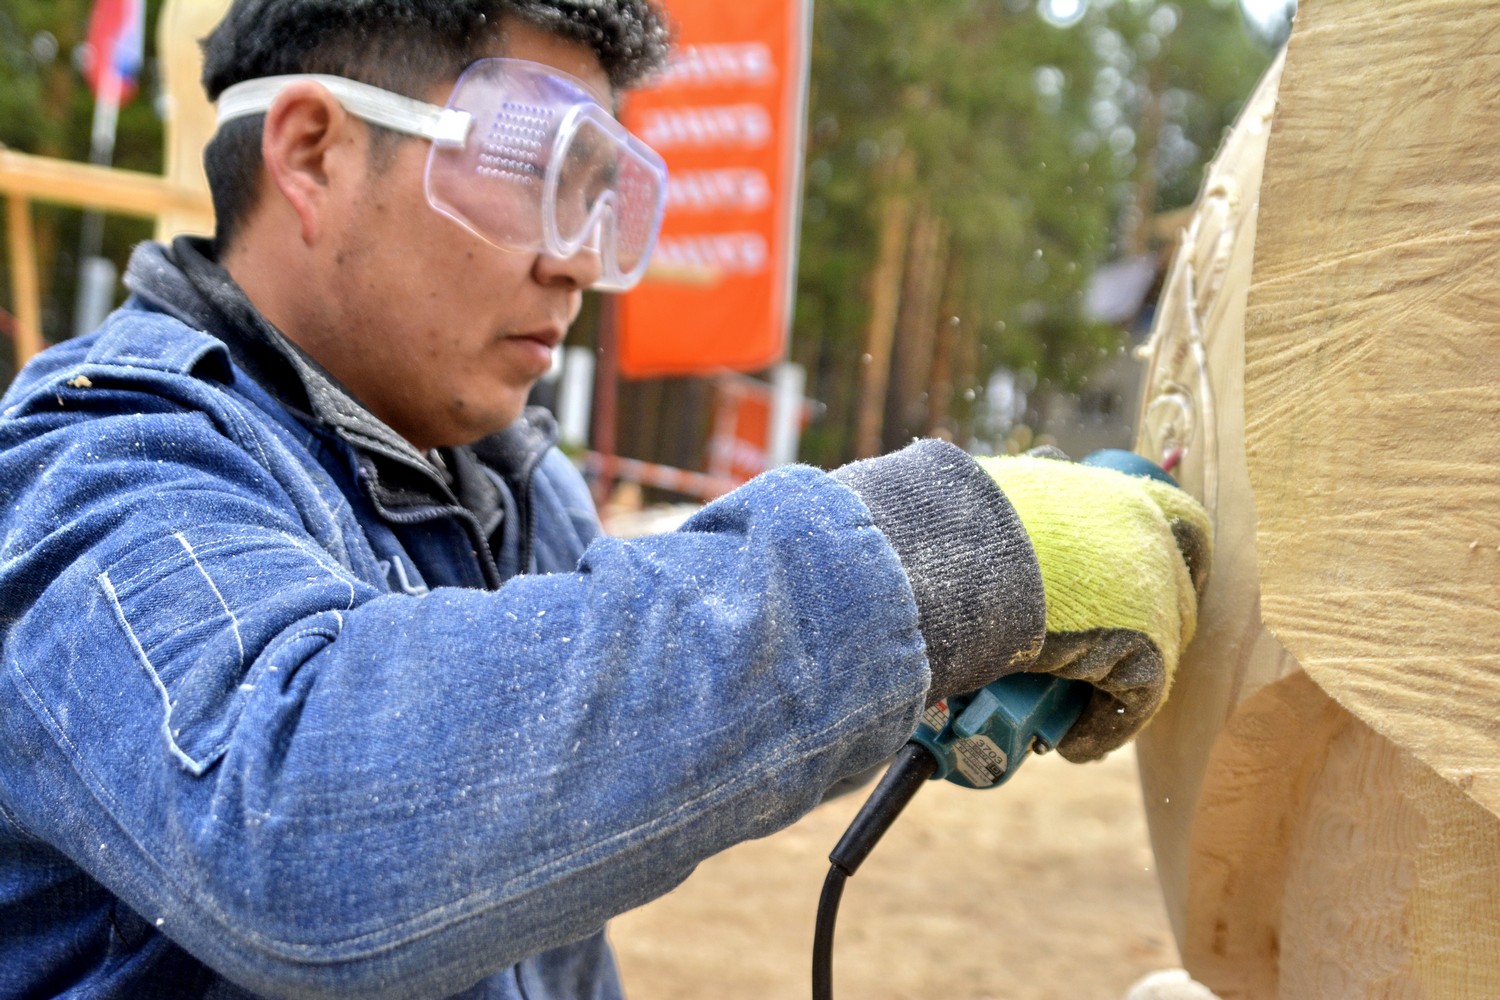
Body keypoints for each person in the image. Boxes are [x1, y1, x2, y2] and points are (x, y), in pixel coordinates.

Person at [0, 1, 1211, 997]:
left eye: (607, 197)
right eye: (531, 169)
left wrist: (906, 666)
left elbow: (552, 944)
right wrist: (944, 559)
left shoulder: (514, 496)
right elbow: (292, 821)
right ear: (313, 154)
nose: (576, 257)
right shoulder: (98, 462)